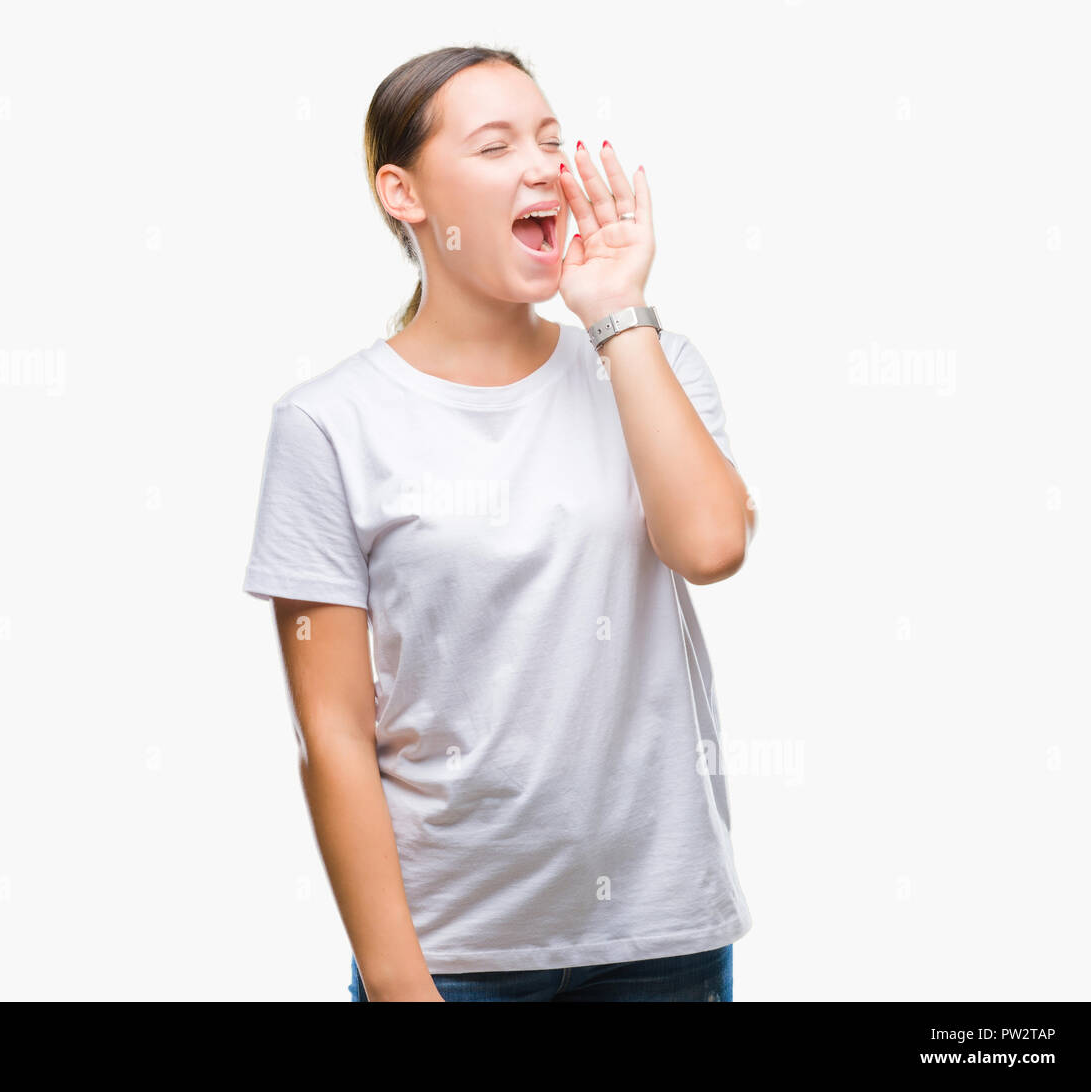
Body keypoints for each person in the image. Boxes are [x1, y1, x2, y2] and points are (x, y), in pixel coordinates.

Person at [243, 45, 758, 1002]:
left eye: (551, 139)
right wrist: (400, 985)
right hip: (454, 960)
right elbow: (334, 734)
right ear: (405, 195)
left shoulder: (652, 360)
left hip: (662, 942)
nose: (543, 166)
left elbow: (711, 546)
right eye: (495, 145)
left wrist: (618, 317)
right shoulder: (328, 423)